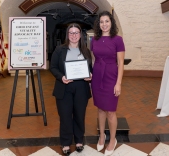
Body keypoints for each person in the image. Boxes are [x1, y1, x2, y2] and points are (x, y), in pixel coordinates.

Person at [50, 23, 92, 156]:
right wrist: (61, 77)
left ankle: (79, 140)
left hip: (81, 88)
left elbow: (90, 68)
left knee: (80, 115)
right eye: (71, 33)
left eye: (76, 33)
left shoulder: (86, 51)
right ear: (67, 35)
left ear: (81, 35)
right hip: (64, 87)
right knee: (65, 116)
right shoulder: (59, 50)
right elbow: (53, 68)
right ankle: (66, 142)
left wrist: (90, 75)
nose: (74, 35)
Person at [90, 11, 125, 156]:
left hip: (111, 75)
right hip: (97, 75)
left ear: (111, 23)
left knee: (110, 110)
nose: (104, 24)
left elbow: (121, 62)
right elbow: (93, 59)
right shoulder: (94, 40)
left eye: (107, 21)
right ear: (98, 24)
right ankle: (102, 135)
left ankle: (112, 140)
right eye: (101, 22)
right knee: (100, 108)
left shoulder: (118, 39)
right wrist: (91, 74)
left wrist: (119, 83)